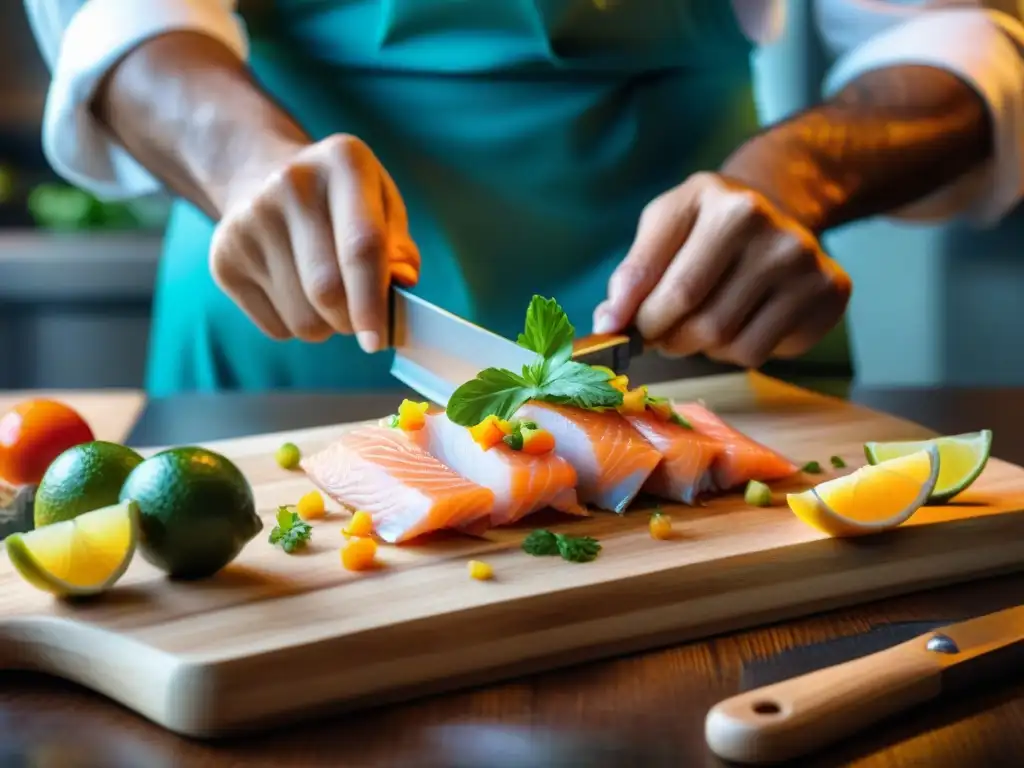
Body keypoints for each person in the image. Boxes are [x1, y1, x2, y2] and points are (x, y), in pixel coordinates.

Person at [24, 1, 1024, 395]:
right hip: (284, 319)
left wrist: (789, 181)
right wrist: (242, 162)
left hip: (704, 315)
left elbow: (954, 36)